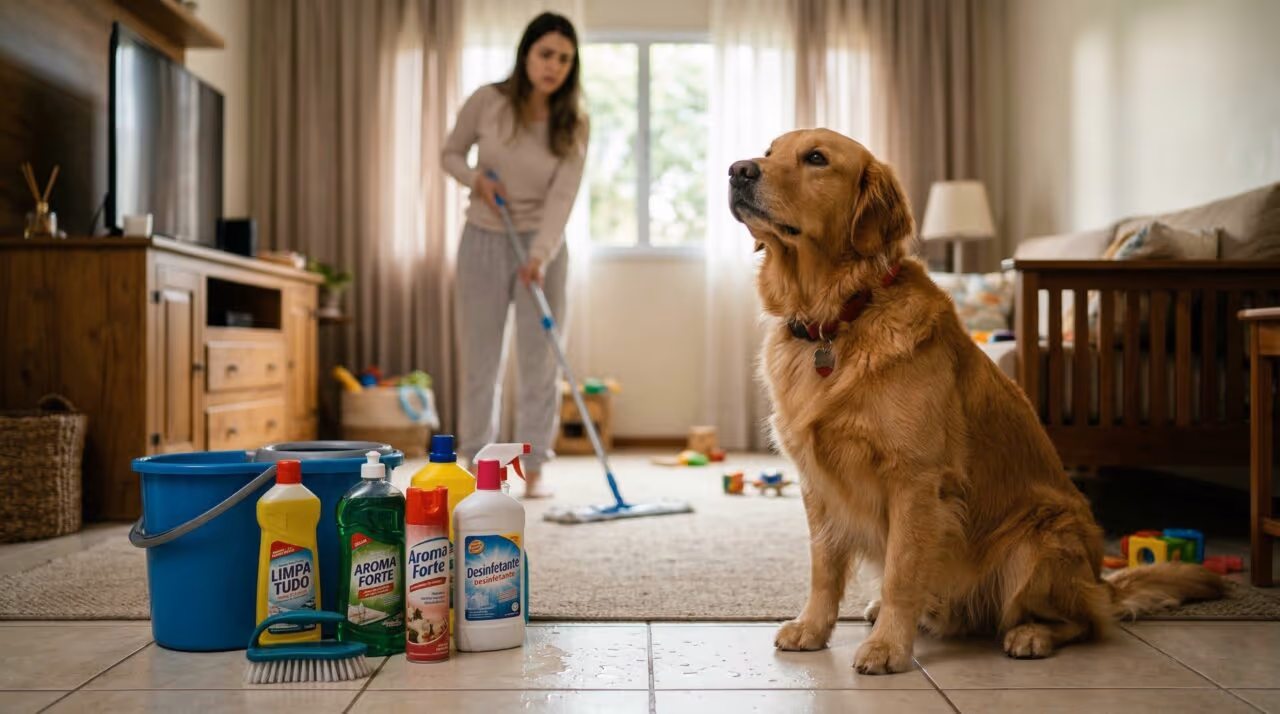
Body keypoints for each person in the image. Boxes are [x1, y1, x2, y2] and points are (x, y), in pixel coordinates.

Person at [442, 12, 588, 499]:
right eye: (546, 54)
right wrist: (476, 181)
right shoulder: (488, 101)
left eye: (565, 59)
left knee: (539, 360)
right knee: (481, 358)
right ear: (527, 53)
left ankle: (534, 469)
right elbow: (451, 154)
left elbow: (562, 198)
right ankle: (476, 464)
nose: (554, 66)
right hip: (484, 237)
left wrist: (540, 255)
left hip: (541, 248)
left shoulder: (574, 123)